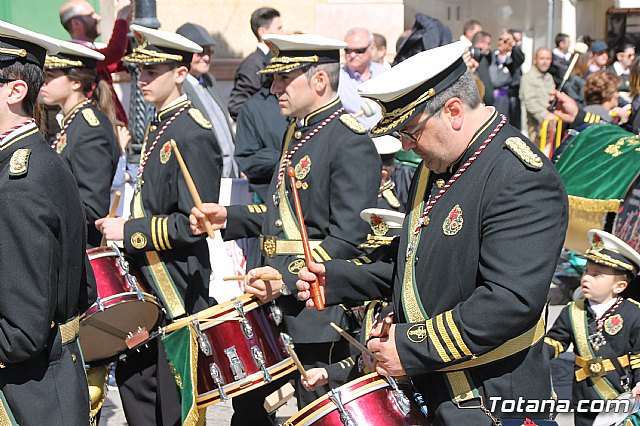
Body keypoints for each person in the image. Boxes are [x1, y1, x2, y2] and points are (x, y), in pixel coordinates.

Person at [295, 41, 569, 424]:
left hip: (489, 397)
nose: (406, 146)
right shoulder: (439, 162)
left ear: (454, 111)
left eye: (410, 132)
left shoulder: (519, 176)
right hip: (435, 387)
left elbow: (509, 301)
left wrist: (408, 347)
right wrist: (341, 277)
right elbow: (417, 258)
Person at [190, 33, 381, 415]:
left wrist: (288, 280)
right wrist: (231, 217)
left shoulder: (348, 140)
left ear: (320, 81)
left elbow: (349, 239)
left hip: (315, 310)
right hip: (271, 301)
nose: (274, 88)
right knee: (248, 412)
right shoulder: (297, 130)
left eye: (283, 79)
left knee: (315, 412)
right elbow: (286, 219)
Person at [95, 24, 222, 425]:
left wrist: (129, 230)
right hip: (149, 280)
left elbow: (196, 224)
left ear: (181, 74)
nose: (143, 80)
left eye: (154, 72)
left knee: (171, 405)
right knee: (137, 389)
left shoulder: (192, 131)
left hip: (177, 286)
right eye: (140, 72)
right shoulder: (161, 123)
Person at [0, 20, 93, 423]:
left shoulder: (18, 182)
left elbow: (21, 332)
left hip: (26, 398)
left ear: (15, 90)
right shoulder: (38, 160)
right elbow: (82, 287)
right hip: (53, 382)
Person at [545, 229, 640, 426]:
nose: (586, 278)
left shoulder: (633, 313)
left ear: (619, 286)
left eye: (596, 275)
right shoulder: (573, 311)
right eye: (587, 271)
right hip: (585, 393)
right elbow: (556, 342)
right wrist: (536, 352)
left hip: (620, 392)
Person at [39, 40, 120, 248]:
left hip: (80, 247)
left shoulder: (89, 129)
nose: (43, 83)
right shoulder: (73, 122)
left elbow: (91, 207)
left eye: (50, 76)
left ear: (75, 82)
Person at [177, 22, 238, 179]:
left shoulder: (209, 81)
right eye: (200, 52)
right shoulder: (180, 87)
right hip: (207, 173)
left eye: (209, 52)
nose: (206, 57)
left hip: (231, 171)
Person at [59, 0, 132, 124]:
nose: (98, 17)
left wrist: (126, 24)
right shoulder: (75, 53)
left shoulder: (90, 51)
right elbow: (114, 52)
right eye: (91, 15)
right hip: (96, 123)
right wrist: (120, 18)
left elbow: (124, 62)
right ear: (76, 23)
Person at [227, 7, 283, 120]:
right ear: (262, 32)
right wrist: (264, 125)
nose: (283, 33)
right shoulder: (252, 64)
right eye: (279, 29)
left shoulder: (272, 58)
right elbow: (236, 106)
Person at [338, 27, 384, 130]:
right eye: (348, 50)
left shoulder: (384, 74)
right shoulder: (337, 81)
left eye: (359, 50)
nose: (353, 55)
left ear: (372, 49)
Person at [519, 47, 557, 144]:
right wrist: (544, 115)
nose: (545, 62)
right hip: (536, 128)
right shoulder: (528, 77)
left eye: (548, 59)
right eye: (542, 58)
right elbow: (529, 102)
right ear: (535, 59)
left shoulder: (549, 77)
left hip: (550, 126)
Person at [489, 29, 525, 127]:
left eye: (505, 41)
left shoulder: (513, 60)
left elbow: (520, 57)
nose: (501, 42)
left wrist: (513, 43)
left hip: (505, 100)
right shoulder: (492, 57)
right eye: (500, 39)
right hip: (491, 99)